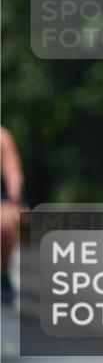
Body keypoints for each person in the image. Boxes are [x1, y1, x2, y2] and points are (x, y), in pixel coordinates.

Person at [1, 126, 25, 306]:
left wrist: (13, 201)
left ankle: (3, 274)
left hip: (2, 200)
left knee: (6, 225)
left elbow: (14, 175)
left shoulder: (2, 138)